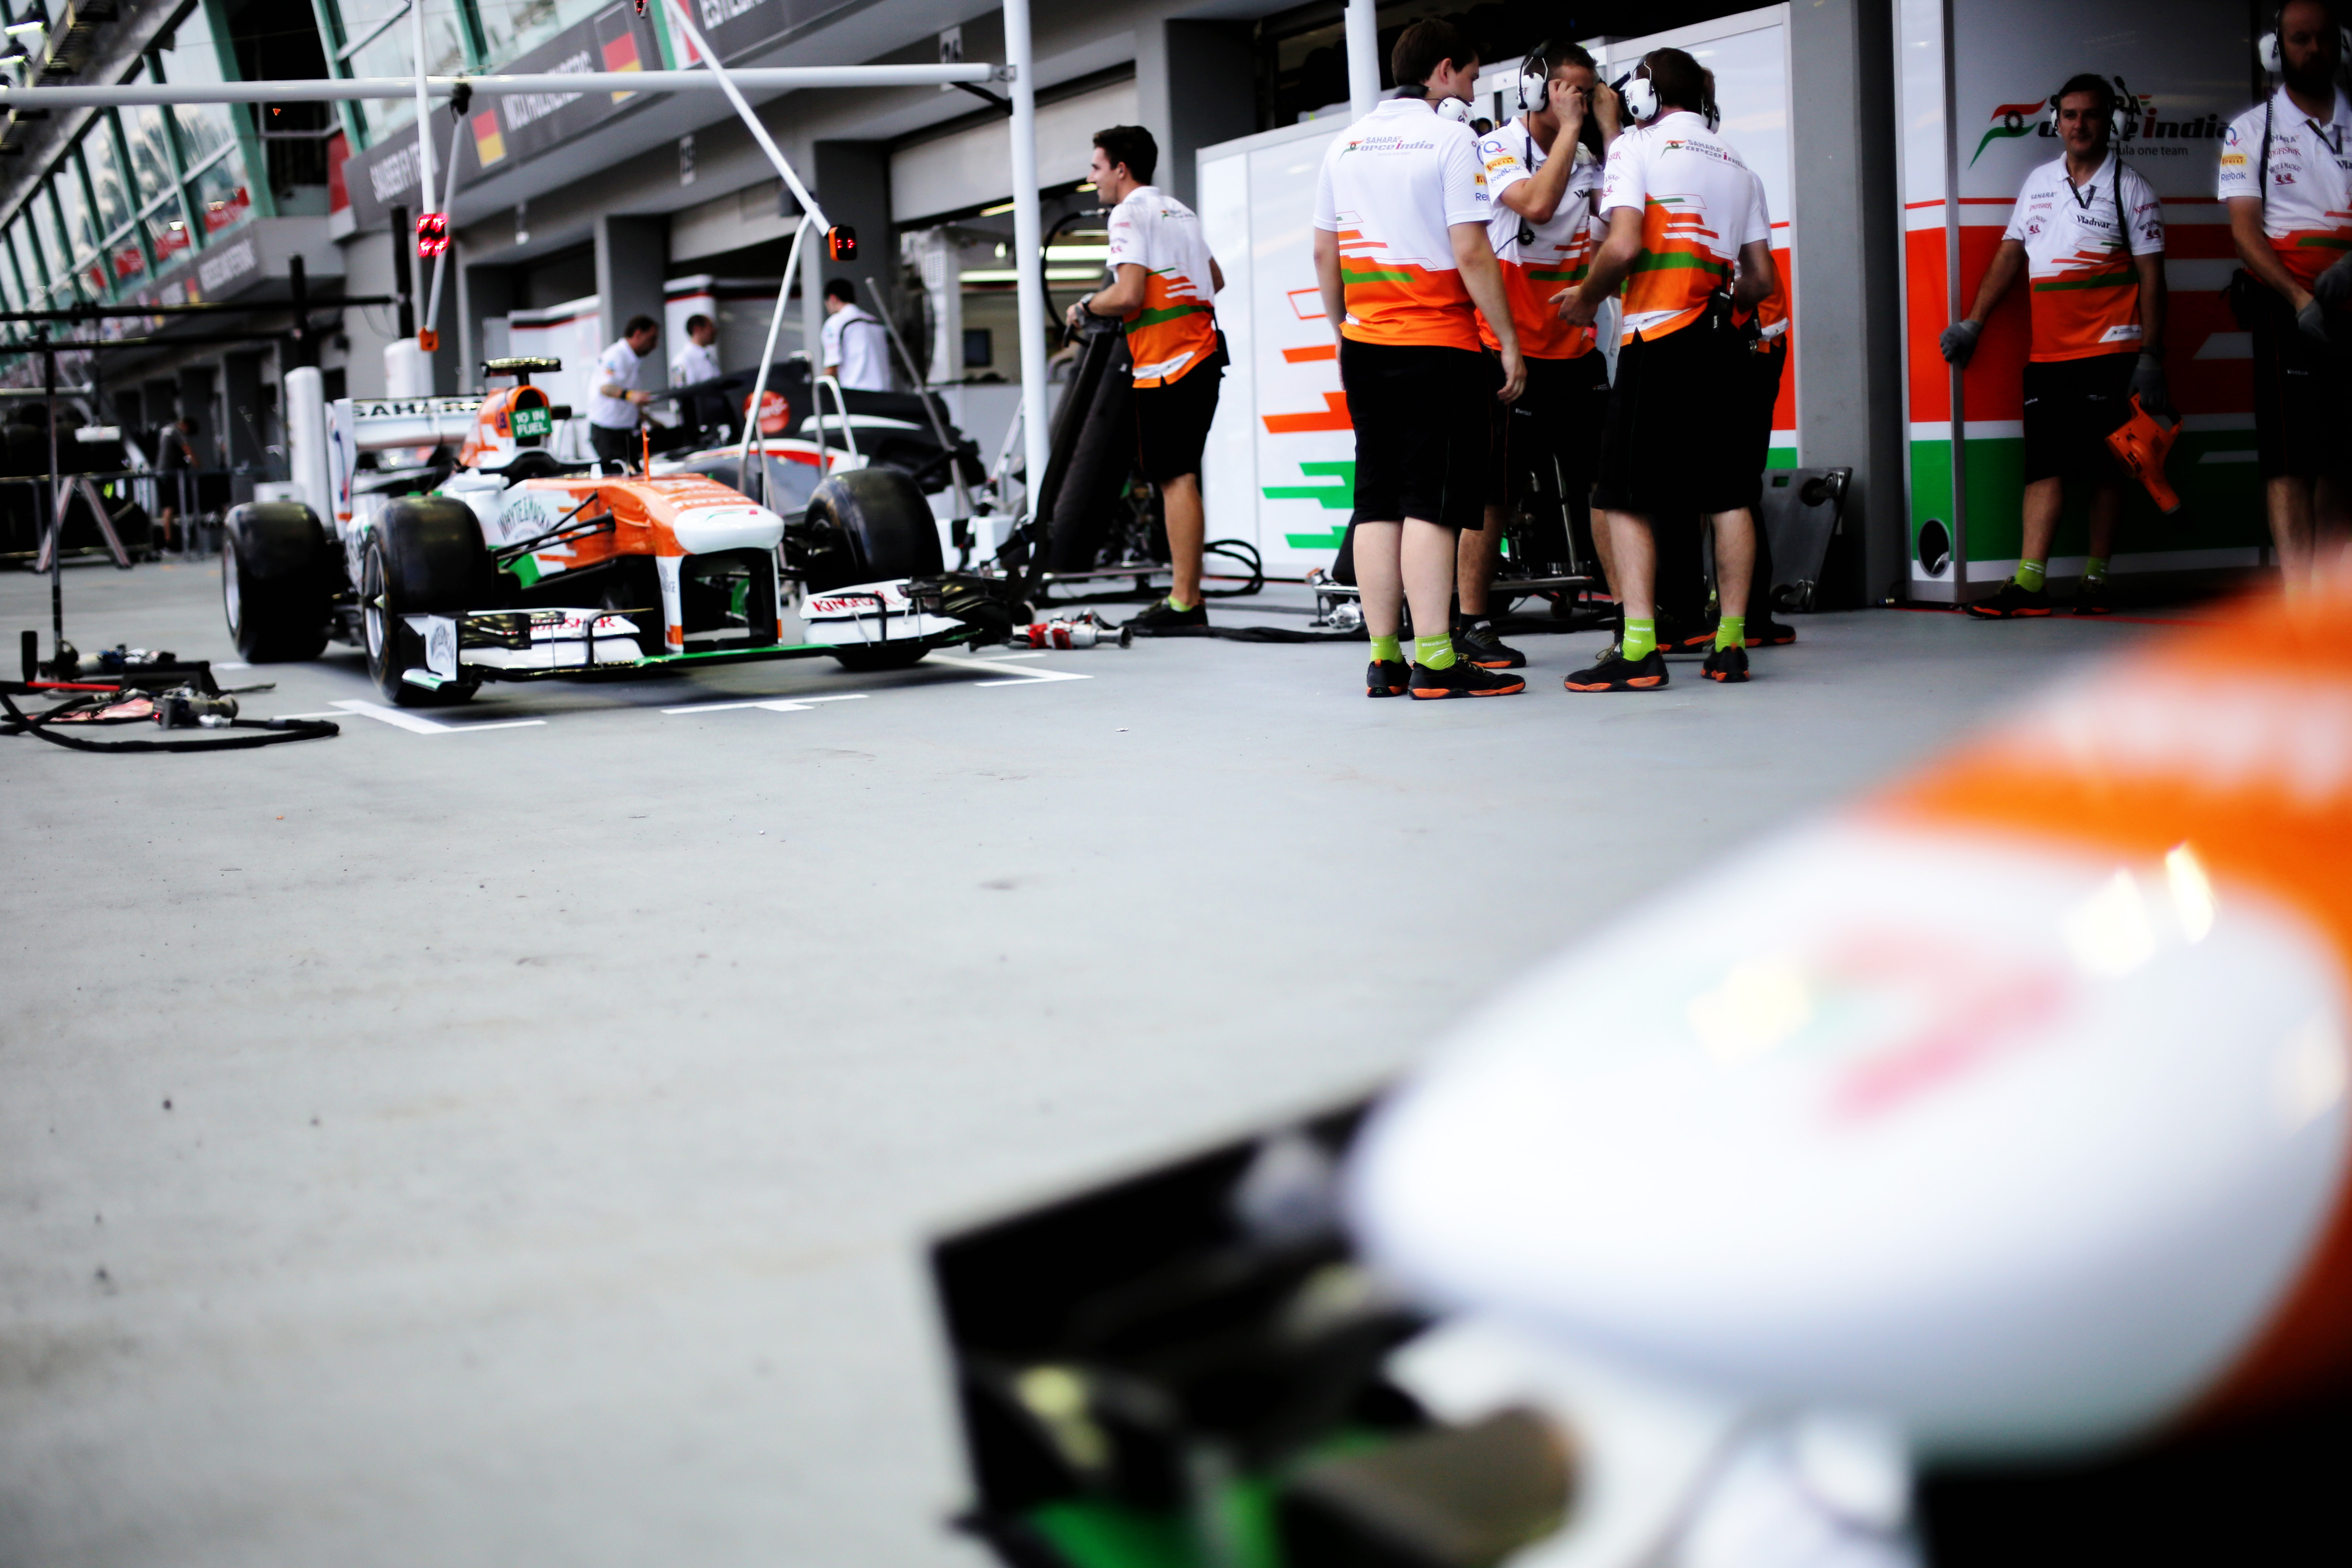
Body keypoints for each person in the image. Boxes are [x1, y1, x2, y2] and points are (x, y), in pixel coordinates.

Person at [1313, 18, 1526, 700]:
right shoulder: (1450, 139)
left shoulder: (1344, 143)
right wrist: (1509, 340)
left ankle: (1385, 658)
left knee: (1376, 502)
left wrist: (1342, 330)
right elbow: (1472, 250)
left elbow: (1324, 252)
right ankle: (1436, 658)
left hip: (1366, 345)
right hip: (1439, 346)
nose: (1471, 91)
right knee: (1431, 505)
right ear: (1441, 71)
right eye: (1469, 76)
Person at [1555, 46, 1777, 691]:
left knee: (1620, 497)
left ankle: (1640, 649)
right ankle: (1730, 644)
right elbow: (1760, 279)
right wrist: (1721, 301)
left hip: (1657, 337)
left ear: (1644, 97)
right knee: (1728, 496)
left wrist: (1587, 298)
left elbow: (1623, 244)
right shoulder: (1737, 162)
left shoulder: (1636, 147)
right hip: (1720, 342)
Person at [1940, 74, 2167, 618]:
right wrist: (1974, 322)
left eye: (2090, 114)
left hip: (2112, 353)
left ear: (2110, 121)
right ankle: (2030, 584)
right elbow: (2010, 254)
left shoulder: (2132, 188)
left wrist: (2151, 356)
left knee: (2108, 469)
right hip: (2047, 356)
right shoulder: (2039, 182)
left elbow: (2154, 278)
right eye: (2070, 115)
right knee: (2043, 467)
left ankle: (2095, 581)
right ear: (2056, 121)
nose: (2079, 125)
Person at [1456, 41, 1620, 671]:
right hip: (1508, 352)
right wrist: (1575, 130)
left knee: (1607, 488)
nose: (1577, 99)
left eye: (1587, 90)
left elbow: (1621, 229)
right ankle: (1474, 624)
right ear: (1534, 90)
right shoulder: (1495, 147)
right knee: (1492, 497)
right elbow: (1536, 204)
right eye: (1566, 88)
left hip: (1577, 351)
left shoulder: (1590, 159)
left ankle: (1633, 620)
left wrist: (1606, 132)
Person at [1067, 125, 1227, 632]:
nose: (1092, 177)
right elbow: (1215, 279)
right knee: (1180, 476)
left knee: (1175, 479)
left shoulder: (1128, 213)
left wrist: (1084, 306)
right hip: (1201, 354)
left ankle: (1185, 602)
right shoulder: (1178, 211)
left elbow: (1128, 293)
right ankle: (1186, 596)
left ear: (1120, 169)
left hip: (1169, 364)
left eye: (1096, 167)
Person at [2221, 0, 2352, 591]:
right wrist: (2299, 299)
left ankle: (2330, 595)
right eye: (2300, 39)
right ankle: (2299, 604)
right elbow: (2245, 231)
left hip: (2350, 306)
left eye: (2323, 38)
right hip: (2285, 311)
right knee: (2289, 460)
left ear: (2341, 44)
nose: (2314, 50)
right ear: (2278, 50)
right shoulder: (2249, 131)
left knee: (2342, 461)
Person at [589, 314, 660, 468]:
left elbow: (627, 402)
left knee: (635, 473)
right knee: (622, 475)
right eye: (652, 339)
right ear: (638, 334)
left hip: (625, 431)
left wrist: (650, 420)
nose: (655, 345)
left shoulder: (632, 360)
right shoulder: (616, 356)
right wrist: (631, 395)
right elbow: (605, 388)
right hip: (608, 432)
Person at [821, 280, 891, 392]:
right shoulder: (875, 323)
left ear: (833, 299)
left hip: (857, 394)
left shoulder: (836, 323)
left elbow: (832, 368)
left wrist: (817, 389)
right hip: (885, 393)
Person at [670, 312, 726, 438]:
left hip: (716, 420)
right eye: (711, 327)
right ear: (697, 329)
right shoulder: (683, 361)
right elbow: (682, 398)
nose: (715, 331)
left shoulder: (709, 357)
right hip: (698, 427)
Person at [155, 415, 197, 553]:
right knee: (170, 508)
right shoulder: (176, 431)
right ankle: (169, 541)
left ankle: (171, 539)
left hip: (162, 474)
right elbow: (188, 450)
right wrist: (198, 466)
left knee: (169, 508)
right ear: (186, 426)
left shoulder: (166, 430)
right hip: (169, 475)